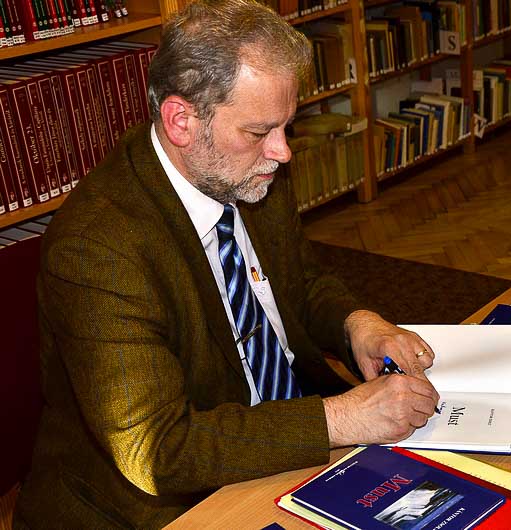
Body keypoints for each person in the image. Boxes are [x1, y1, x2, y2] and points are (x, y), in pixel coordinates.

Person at [13, 0, 440, 526]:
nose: (282, 151)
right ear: (181, 121)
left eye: (285, 126)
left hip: (283, 440)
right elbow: (161, 450)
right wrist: (342, 418)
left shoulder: (244, 170)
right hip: (167, 501)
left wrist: (359, 325)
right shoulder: (97, 248)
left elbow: (297, 284)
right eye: (259, 132)